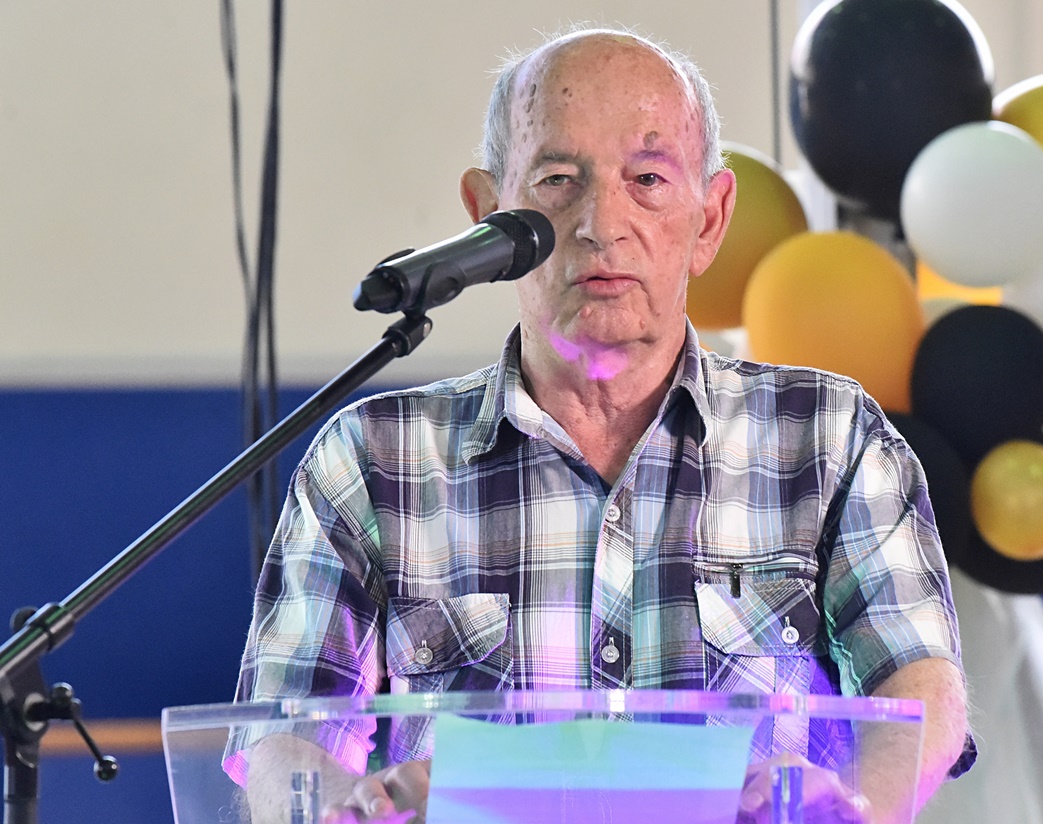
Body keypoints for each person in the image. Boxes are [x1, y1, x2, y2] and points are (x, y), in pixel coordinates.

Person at [227, 27, 973, 823]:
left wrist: (848, 806)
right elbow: (282, 735)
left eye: (648, 179)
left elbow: (919, 686)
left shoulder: (828, 436)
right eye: (557, 180)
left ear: (710, 220)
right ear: (488, 212)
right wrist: (350, 809)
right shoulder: (373, 457)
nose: (600, 223)